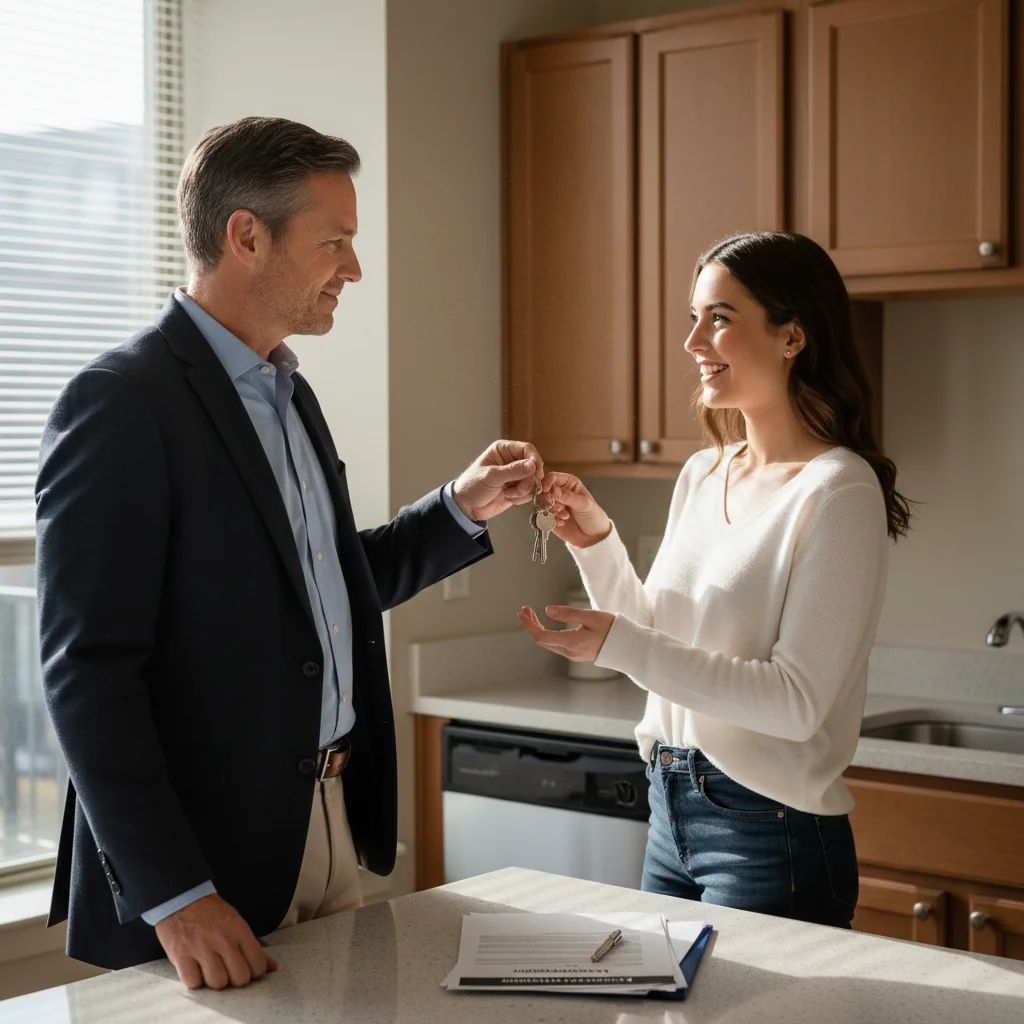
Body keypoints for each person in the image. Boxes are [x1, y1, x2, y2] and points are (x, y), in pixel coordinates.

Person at [36, 116, 543, 988]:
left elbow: (325, 592)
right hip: (203, 865)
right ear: (247, 237)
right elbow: (87, 673)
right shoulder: (120, 401)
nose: (354, 268)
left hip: (326, 826)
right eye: (334, 242)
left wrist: (459, 507)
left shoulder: (288, 393)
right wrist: (175, 894)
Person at [519, 231, 911, 928]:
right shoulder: (704, 471)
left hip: (770, 830)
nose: (693, 340)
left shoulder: (838, 489)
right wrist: (597, 544)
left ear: (792, 336)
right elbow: (657, 646)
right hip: (668, 808)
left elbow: (795, 703)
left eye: (720, 318)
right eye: (694, 317)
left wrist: (620, 644)